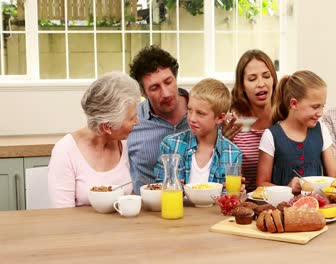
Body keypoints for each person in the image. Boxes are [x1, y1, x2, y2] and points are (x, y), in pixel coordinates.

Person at [48, 72, 140, 208]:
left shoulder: (124, 143)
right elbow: (62, 216)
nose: (137, 122)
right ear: (107, 126)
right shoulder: (65, 151)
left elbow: (129, 197)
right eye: (131, 118)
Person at [256, 70, 336, 194]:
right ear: (294, 104)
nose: (320, 113)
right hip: (283, 209)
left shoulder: (322, 130)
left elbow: (335, 173)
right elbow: (261, 184)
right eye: (315, 107)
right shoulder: (271, 135)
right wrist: (287, 188)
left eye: (322, 106)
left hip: (317, 209)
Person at [154, 79, 242, 184]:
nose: (192, 118)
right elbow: (160, 188)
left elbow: (229, 196)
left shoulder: (233, 154)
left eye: (200, 113)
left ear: (219, 117)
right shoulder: (171, 145)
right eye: (190, 110)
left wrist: (237, 193)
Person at [127, 45, 189, 194]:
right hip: (148, 210)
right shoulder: (131, 121)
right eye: (155, 88)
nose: (166, 93)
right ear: (143, 92)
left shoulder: (204, 111)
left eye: (168, 82)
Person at [222, 49, 278, 192]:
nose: (261, 83)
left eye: (266, 76)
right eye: (252, 79)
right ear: (242, 87)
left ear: (273, 80)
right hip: (241, 202)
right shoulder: (232, 123)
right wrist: (221, 143)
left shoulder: (285, 118)